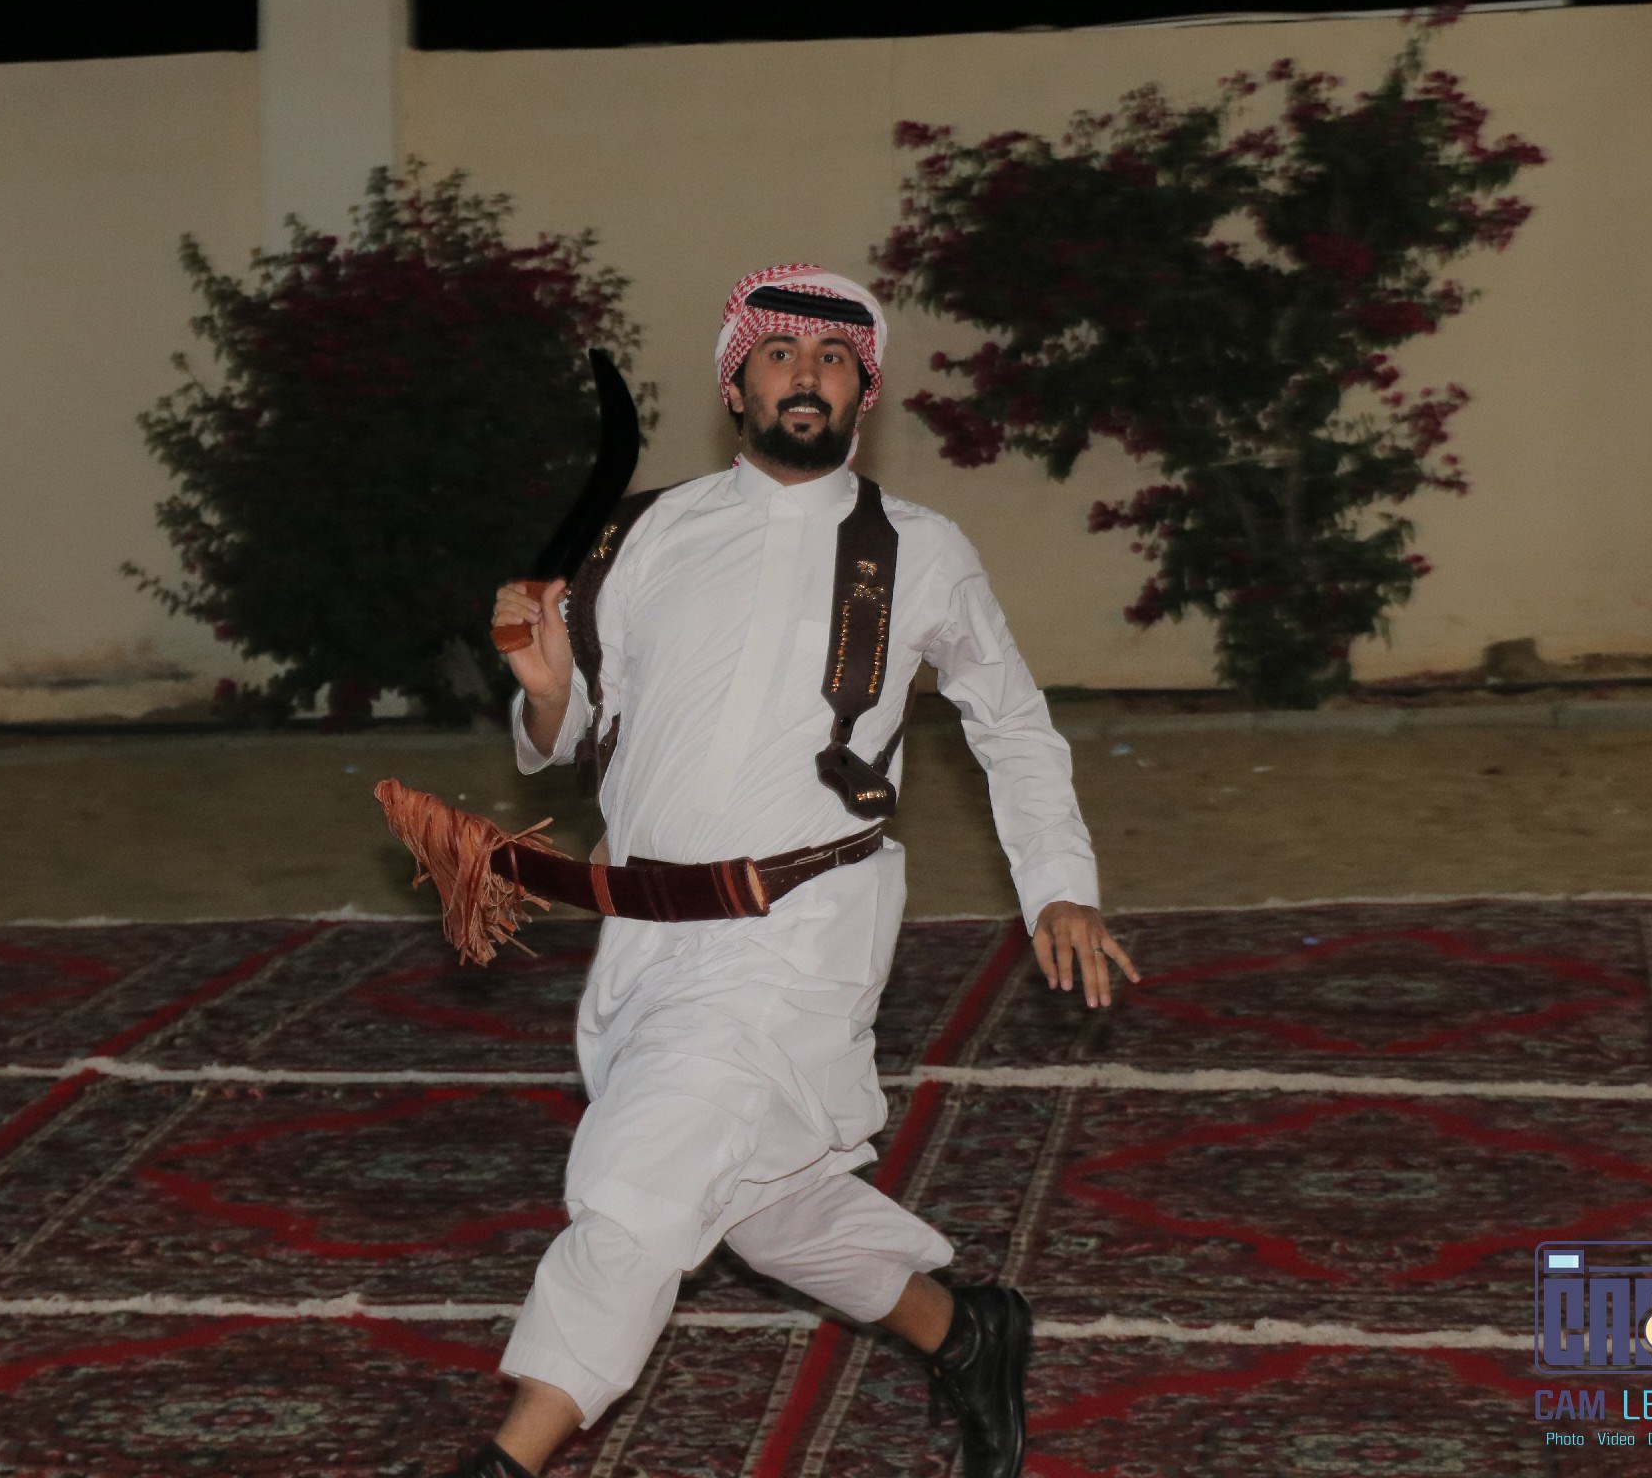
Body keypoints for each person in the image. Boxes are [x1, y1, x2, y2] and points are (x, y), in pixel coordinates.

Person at [447, 265, 1136, 1477]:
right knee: (767, 1205)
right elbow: (572, 735)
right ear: (738, 383)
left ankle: (509, 1459)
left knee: (641, 1186)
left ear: (862, 393)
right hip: (644, 934)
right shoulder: (643, 533)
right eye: (780, 355)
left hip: (798, 929)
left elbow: (1013, 726)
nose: (806, 375)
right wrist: (547, 694)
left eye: (832, 360)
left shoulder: (918, 550)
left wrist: (1060, 883)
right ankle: (967, 1332)